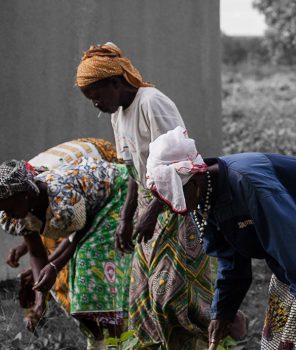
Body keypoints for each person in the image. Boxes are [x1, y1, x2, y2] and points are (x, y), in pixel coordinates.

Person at [144, 127, 296, 349]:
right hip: (289, 228)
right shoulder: (202, 197)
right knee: (291, 290)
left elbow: (290, 239)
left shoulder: (249, 185)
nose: (175, 207)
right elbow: (231, 260)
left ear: (192, 181)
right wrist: (223, 312)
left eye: (176, 196)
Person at [75, 42, 244, 348]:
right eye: (90, 100)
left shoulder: (152, 103)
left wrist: (151, 212)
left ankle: (227, 324)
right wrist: (126, 217)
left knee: (172, 296)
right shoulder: (118, 115)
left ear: (116, 82)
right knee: (144, 299)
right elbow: (132, 171)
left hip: (176, 204)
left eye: (97, 96)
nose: (95, 105)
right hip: (146, 209)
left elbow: (182, 164)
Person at [0, 158, 132, 350]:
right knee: (79, 281)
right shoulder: (18, 214)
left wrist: (54, 266)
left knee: (89, 267)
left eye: (9, 208)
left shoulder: (62, 199)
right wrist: (39, 301)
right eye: (3, 210)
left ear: (25, 194)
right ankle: (102, 343)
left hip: (117, 192)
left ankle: (120, 339)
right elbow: (36, 253)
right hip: (87, 212)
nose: (7, 215)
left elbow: (78, 235)